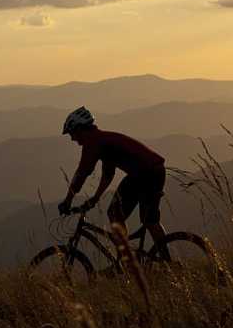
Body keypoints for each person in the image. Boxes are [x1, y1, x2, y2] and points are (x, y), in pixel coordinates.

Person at [57, 106, 169, 251]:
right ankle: (167, 262)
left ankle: (128, 260)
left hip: (144, 174)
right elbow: (108, 174)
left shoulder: (93, 142)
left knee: (115, 214)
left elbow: (82, 174)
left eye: (72, 133)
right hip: (154, 171)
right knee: (150, 220)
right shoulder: (103, 139)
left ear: (80, 129)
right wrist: (95, 198)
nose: (72, 138)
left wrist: (67, 201)